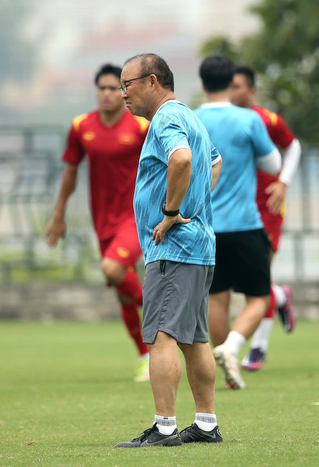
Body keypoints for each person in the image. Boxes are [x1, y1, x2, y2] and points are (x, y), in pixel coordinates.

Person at [115, 53, 223, 447]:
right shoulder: (191, 116)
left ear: (152, 81)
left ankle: (163, 429)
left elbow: (182, 158)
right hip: (198, 245)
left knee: (161, 337)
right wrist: (194, 207)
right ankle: (206, 424)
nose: (123, 94)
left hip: (173, 248)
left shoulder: (166, 118)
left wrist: (172, 213)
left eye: (127, 85)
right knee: (194, 339)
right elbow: (215, 161)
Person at [43, 63, 151, 382]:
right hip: (102, 221)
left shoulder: (141, 127)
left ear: (124, 91)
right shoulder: (81, 127)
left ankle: (167, 312)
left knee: (112, 269)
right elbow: (71, 173)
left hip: (136, 216)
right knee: (122, 292)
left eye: (113, 88)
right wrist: (59, 214)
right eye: (101, 88)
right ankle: (146, 355)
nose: (106, 93)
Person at [195, 56, 281, 390]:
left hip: (207, 227)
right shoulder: (248, 119)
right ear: (233, 82)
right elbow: (273, 164)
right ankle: (231, 348)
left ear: (202, 84)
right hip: (245, 224)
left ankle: (223, 363)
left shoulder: (191, 119)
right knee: (259, 297)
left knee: (217, 299)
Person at [230, 65, 301, 371]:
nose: (233, 92)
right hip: (234, 209)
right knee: (240, 278)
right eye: (229, 86)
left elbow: (293, 145)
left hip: (267, 208)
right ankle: (281, 297)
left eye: (238, 86)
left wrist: (283, 181)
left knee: (257, 278)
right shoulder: (221, 120)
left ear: (251, 90)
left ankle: (258, 347)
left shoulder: (266, 119)